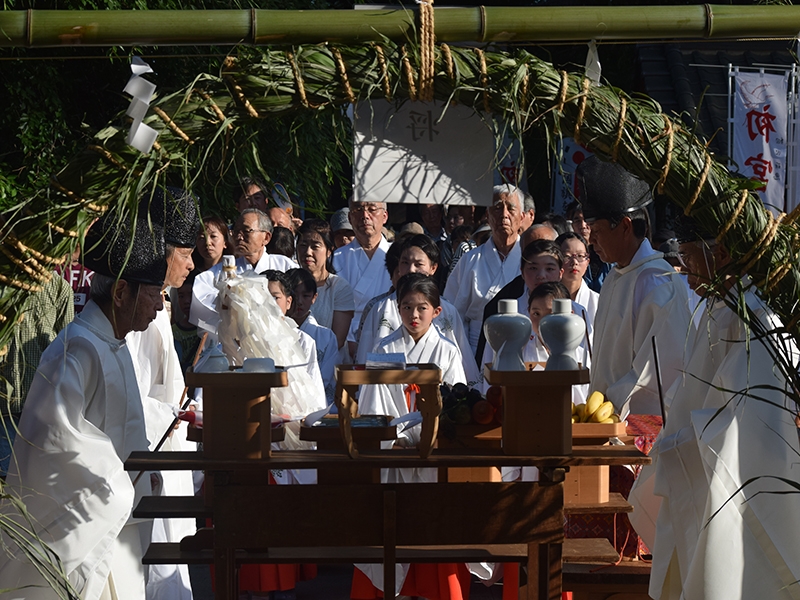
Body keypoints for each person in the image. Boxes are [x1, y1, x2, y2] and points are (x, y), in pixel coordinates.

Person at [630, 217, 800, 600]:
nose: (686, 273)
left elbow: (748, 427)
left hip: (733, 482)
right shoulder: (719, 306)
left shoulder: (755, 319)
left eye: (689, 257)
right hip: (697, 461)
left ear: (719, 253)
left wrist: (676, 445)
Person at [0, 214, 167, 600]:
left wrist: (144, 470)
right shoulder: (79, 347)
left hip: (116, 523)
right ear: (121, 292)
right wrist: (119, 484)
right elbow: (55, 437)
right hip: (93, 518)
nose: (159, 305)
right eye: (153, 292)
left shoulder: (114, 342)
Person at [353, 273, 471, 599]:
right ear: (397, 308)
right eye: (406, 307)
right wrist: (394, 435)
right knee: (393, 528)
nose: (414, 315)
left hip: (432, 453)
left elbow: (456, 402)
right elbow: (373, 403)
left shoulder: (447, 351)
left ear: (437, 310)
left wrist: (428, 434)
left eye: (422, 308)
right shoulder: (383, 348)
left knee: (433, 528)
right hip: (394, 450)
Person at [127, 187, 201, 600]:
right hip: (152, 455)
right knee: (157, 569)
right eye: (185, 254)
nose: (191, 264)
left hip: (165, 449)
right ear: (162, 252)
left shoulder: (161, 303)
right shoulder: (144, 311)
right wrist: (179, 416)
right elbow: (132, 398)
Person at [577, 156, 691, 417]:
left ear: (625, 227)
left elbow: (655, 374)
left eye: (596, 229)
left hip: (637, 428)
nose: (591, 239)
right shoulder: (618, 275)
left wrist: (606, 411)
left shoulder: (657, 283)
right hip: (607, 421)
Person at [356, 235, 480, 385]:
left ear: (433, 268)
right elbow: (366, 360)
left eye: (418, 264)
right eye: (405, 263)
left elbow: (462, 362)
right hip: (390, 397)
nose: (411, 270)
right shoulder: (380, 308)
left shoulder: (448, 310)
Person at [0, 273, 74, 477]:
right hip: (3, 412)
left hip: (39, 412)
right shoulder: (4, 279)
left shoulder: (59, 288)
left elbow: (67, 352)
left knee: (32, 486)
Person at [444, 184, 525, 354]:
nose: (504, 215)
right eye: (497, 208)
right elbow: (452, 312)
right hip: (475, 346)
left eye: (511, 208)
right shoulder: (470, 259)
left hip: (522, 342)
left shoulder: (529, 260)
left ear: (522, 216)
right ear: (487, 216)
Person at [190, 208, 297, 334]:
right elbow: (201, 303)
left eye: (246, 231)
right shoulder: (219, 272)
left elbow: (299, 301)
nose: (239, 236)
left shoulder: (284, 265)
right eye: (236, 231)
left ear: (266, 237)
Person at [473, 225, 558, 365]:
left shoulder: (578, 313)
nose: (541, 276)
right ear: (522, 270)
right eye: (533, 267)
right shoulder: (502, 313)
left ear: (560, 271)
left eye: (549, 268)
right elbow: (489, 364)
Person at [331, 200, 392, 357]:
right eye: (358, 210)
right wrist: (348, 338)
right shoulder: (336, 258)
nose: (365, 216)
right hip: (344, 338)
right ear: (350, 218)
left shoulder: (399, 257)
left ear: (384, 216)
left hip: (389, 336)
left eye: (372, 209)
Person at [295, 218, 354, 349]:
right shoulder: (287, 283)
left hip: (327, 360)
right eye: (303, 245)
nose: (308, 252)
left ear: (329, 251)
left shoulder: (339, 287)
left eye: (315, 246)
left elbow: (337, 340)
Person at [286, 268, 338, 406]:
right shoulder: (277, 332)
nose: (299, 301)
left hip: (316, 402)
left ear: (314, 297)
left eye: (305, 295)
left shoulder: (326, 337)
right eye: (294, 295)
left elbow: (325, 378)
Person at [556, 231, 599, 328]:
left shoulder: (598, 302)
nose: (574, 262)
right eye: (567, 256)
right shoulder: (545, 300)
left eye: (580, 256)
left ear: (587, 261)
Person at [566, 200, 610, 292]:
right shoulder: (567, 254)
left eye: (587, 220)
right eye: (577, 220)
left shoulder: (608, 254)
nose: (582, 225)